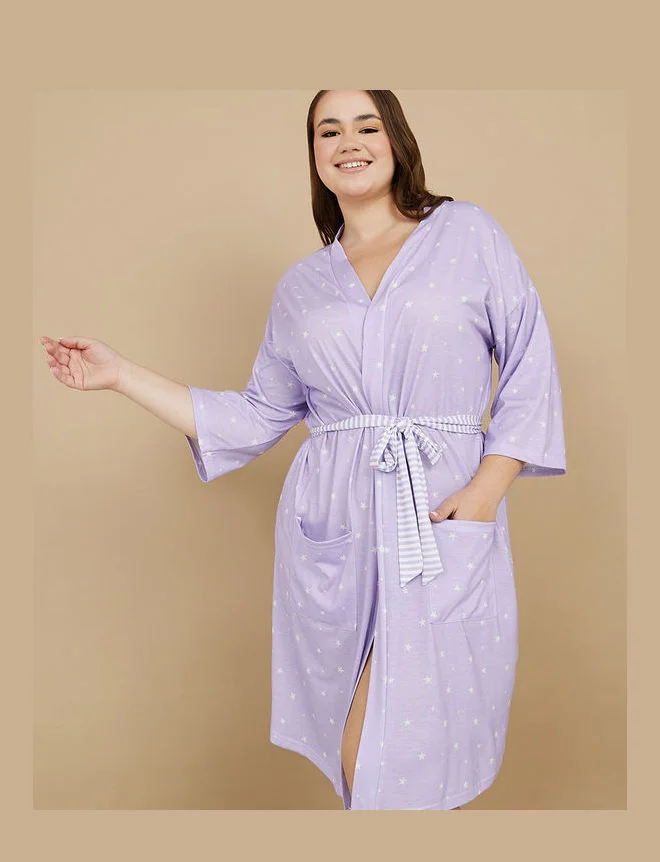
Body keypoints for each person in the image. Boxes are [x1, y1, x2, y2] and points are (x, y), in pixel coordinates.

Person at [39, 89, 567, 811]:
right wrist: (121, 375)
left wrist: (485, 493)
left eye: (366, 125)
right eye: (328, 130)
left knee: (407, 756)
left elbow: (530, 360)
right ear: (315, 153)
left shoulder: (468, 233)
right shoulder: (303, 287)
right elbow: (256, 415)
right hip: (334, 534)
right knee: (369, 767)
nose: (349, 142)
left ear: (395, 138)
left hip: (440, 519)